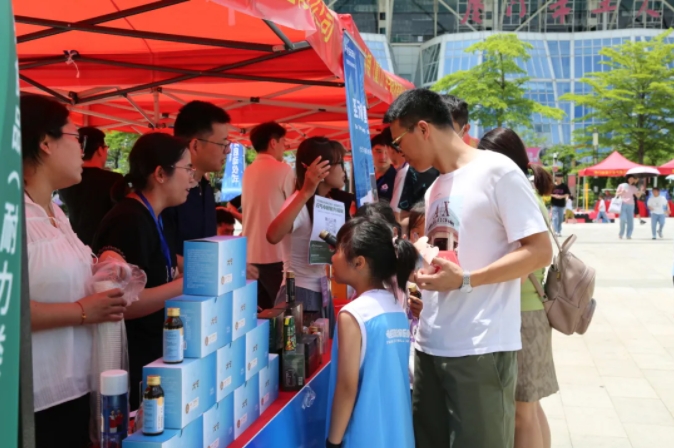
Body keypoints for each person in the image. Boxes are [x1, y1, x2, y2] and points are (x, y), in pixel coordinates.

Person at [384, 88, 552, 448]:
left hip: (481, 347)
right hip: (430, 344)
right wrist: (423, 267)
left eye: (398, 142)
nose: (397, 153)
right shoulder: (435, 188)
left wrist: (467, 280)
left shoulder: (498, 172)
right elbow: (455, 254)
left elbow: (540, 251)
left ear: (423, 129)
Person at [21, 94, 127, 448]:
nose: (82, 150)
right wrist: (82, 311)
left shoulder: (54, 211)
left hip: (75, 390)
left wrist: (103, 264)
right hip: (32, 401)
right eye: (75, 137)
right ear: (45, 142)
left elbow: (55, 276)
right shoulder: (13, 215)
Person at [93, 133, 194, 410]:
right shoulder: (129, 220)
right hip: (133, 362)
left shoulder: (151, 215)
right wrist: (190, 282)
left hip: (154, 353)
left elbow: (158, 264)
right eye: (187, 169)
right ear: (160, 174)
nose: (192, 179)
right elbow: (125, 304)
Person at [478, 128, 558, 448]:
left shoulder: (518, 195)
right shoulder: (527, 192)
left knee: (522, 412)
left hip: (523, 314)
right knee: (530, 407)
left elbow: (523, 265)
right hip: (530, 312)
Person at [326, 217, 417, 448]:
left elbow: (347, 388)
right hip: (398, 436)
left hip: (363, 436)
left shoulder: (353, 315)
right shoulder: (396, 308)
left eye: (337, 250)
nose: (332, 257)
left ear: (359, 262)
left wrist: (333, 442)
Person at [266, 137, 346, 335]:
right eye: (340, 163)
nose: (344, 170)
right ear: (322, 168)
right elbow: (273, 235)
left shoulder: (326, 202)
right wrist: (306, 192)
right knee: (303, 353)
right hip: (299, 293)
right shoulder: (299, 202)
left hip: (320, 291)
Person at [162, 100, 231, 258]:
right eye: (223, 144)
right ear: (195, 146)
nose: (227, 151)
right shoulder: (168, 194)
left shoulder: (205, 187)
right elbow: (160, 255)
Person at [242, 122, 294, 309]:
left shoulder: (248, 171)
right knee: (283, 312)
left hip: (249, 255)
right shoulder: (284, 170)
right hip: (276, 254)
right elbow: (295, 210)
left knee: (258, 313)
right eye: (283, 142)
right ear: (273, 142)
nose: (284, 147)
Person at [58, 126, 123, 246]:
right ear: (100, 150)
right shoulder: (114, 180)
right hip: (105, 248)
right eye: (106, 147)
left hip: (75, 245)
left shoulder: (66, 180)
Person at [371, 131, 397, 202]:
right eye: (378, 151)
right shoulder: (365, 177)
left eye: (387, 152)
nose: (383, 157)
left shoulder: (397, 178)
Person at [616, 175, 642, 239]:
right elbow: (616, 194)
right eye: (630, 178)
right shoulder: (622, 185)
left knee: (630, 220)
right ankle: (621, 233)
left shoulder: (633, 187)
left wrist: (641, 191)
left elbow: (638, 196)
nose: (631, 180)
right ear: (627, 179)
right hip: (622, 204)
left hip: (631, 205)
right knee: (622, 219)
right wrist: (621, 192)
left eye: (633, 179)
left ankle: (629, 235)